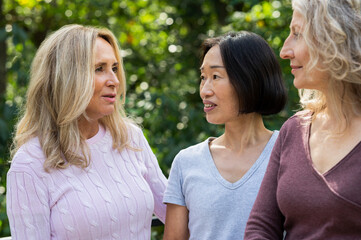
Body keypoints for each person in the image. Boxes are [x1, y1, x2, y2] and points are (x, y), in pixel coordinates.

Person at [6, 24, 167, 239]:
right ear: (67, 78)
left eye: (115, 68)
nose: (115, 81)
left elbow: (176, 213)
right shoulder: (30, 163)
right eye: (100, 68)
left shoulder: (129, 137)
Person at [245, 0, 361, 239]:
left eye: (297, 34)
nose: (284, 51)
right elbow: (261, 226)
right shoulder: (294, 129)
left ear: (336, 39)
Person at [162, 31, 287, 239]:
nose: (204, 90)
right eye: (203, 77)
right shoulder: (186, 162)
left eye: (215, 76)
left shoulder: (289, 153)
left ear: (249, 79)